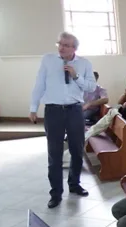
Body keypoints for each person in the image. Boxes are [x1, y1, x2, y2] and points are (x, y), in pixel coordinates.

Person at [30, 31, 96, 208]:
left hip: (75, 110)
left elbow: (91, 87)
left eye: (66, 45)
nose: (61, 48)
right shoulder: (48, 60)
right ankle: (56, 193)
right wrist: (33, 107)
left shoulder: (84, 63)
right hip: (53, 111)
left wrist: (75, 75)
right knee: (54, 152)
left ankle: (74, 185)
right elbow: (39, 83)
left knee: (76, 149)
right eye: (59, 44)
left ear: (74, 48)